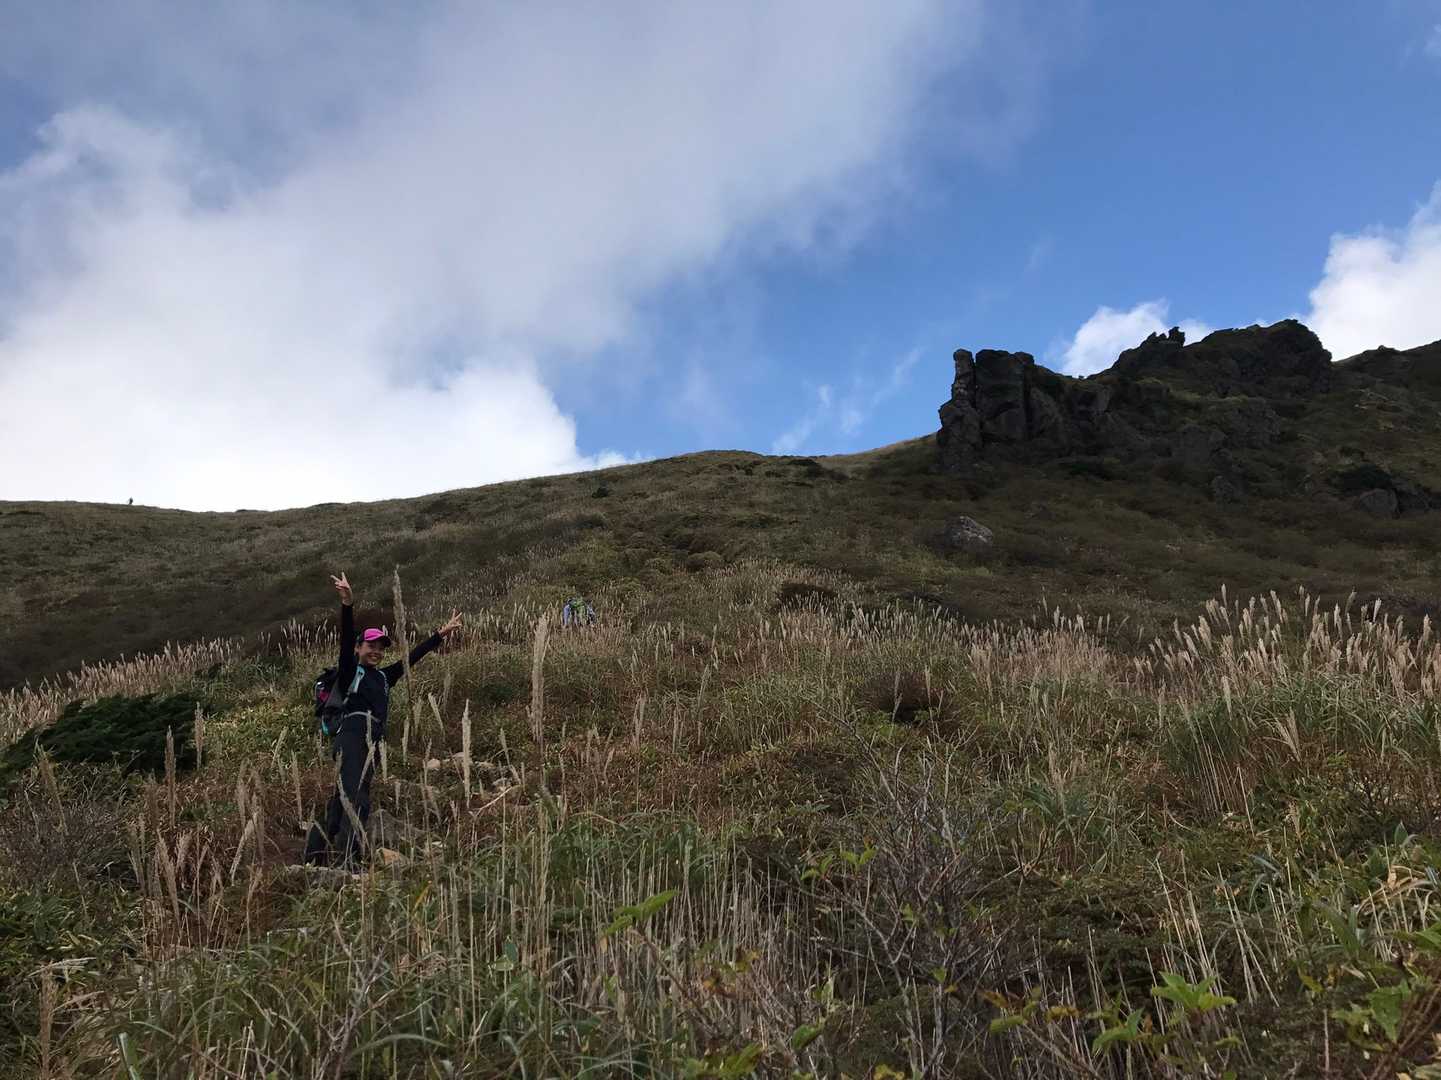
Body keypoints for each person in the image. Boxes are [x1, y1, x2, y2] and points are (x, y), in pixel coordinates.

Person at [303, 572, 462, 868]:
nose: (376, 651)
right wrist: (348, 604)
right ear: (358, 649)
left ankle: (313, 856)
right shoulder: (351, 671)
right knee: (357, 799)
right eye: (370, 646)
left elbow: (411, 658)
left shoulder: (385, 677)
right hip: (352, 735)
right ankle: (348, 862)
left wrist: (440, 635)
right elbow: (346, 640)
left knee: (342, 799)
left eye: (380, 647)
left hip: (372, 741)